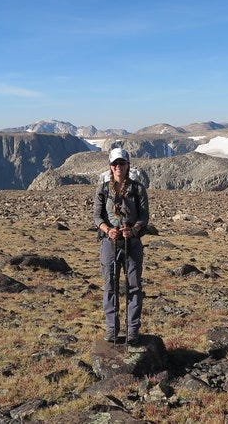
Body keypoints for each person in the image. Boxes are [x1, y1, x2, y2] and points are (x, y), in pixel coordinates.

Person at [93, 148, 149, 346]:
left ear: (128, 165)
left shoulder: (138, 189)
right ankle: (112, 329)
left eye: (122, 163)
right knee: (110, 285)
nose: (118, 167)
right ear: (110, 166)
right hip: (109, 243)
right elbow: (97, 217)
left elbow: (144, 217)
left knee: (134, 286)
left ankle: (132, 330)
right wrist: (108, 230)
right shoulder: (103, 189)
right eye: (115, 164)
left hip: (132, 243)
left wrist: (133, 230)